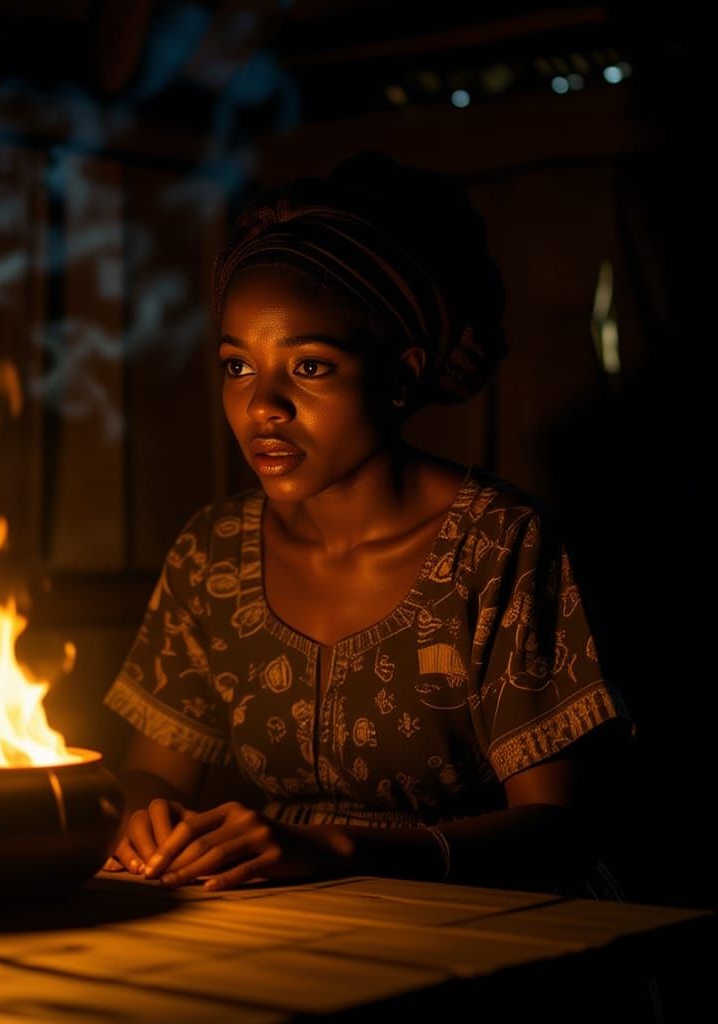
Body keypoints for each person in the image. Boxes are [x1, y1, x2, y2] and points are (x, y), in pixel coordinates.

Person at [99, 150, 639, 901]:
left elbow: (560, 829)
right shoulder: (212, 552)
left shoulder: (497, 546)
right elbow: (151, 771)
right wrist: (145, 817)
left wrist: (340, 848)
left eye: (310, 367)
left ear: (401, 374)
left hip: (491, 924)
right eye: (237, 366)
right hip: (277, 917)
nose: (264, 406)